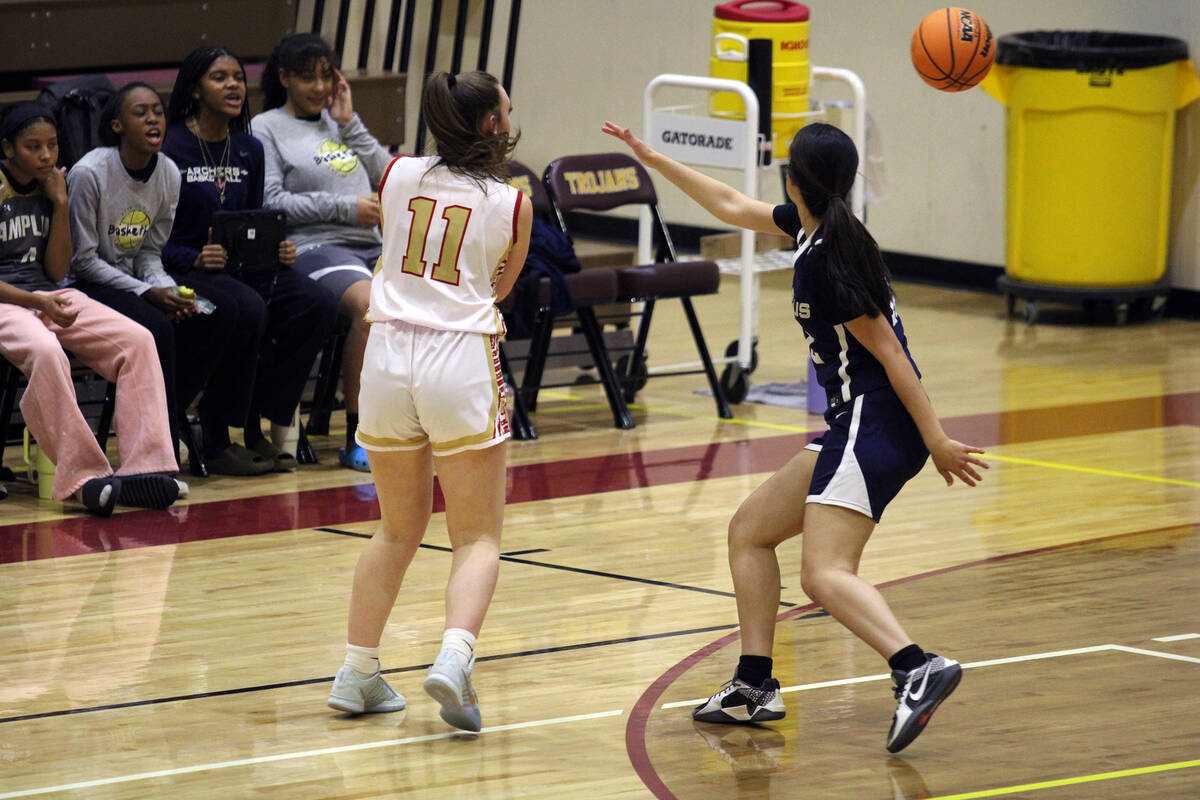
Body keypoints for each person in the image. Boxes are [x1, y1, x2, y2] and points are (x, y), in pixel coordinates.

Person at [602, 120, 988, 753]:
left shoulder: (827, 261)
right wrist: (654, 159)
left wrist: (937, 439)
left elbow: (892, 356)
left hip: (874, 420)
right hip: (858, 422)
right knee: (750, 531)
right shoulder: (819, 231)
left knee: (824, 573)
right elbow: (730, 204)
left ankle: (916, 667)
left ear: (792, 180)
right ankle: (754, 685)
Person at [326, 70, 531, 733]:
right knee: (476, 536)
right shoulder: (512, 202)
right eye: (507, 108)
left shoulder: (399, 174)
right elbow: (497, 289)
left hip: (387, 356)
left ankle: (357, 671)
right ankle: (454, 658)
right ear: (493, 125)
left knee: (395, 528)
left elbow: (397, 241)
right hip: (458, 359)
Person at [163, 46, 339, 473]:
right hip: (184, 267)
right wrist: (194, 257)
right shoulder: (172, 146)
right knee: (245, 307)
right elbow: (152, 238)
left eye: (238, 78)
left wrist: (276, 249)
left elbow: (254, 219)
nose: (233, 86)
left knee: (316, 302)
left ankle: (258, 417)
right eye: (219, 78)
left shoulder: (248, 148)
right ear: (195, 90)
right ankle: (215, 433)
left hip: (243, 268)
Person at [68, 81, 255, 480]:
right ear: (117, 125)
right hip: (88, 283)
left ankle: (170, 417)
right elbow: (82, 261)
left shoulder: (169, 172)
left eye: (157, 111)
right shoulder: (89, 174)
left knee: (215, 312)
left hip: (135, 279)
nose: (153, 119)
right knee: (157, 327)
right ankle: (159, 445)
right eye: (141, 113)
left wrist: (166, 288)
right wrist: (148, 291)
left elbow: (150, 252)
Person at [0, 102, 180, 514]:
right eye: (33, 147)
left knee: (137, 340)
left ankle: (144, 469)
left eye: (52, 145)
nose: (46, 156)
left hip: (48, 294)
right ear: (8, 148)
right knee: (46, 351)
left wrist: (61, 205)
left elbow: (57, 269)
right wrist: (37, 302)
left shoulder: (52, 186)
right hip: (8, 302)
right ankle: (83, 478)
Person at [252, 33, 393, 472]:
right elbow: (272, 202)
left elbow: (390, 175)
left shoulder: (340, 122)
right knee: (370, 307)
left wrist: (351, 124)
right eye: (306, 78)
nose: (319, 88)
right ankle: (359, 438)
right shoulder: (266, 127)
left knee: (429, 297)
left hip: (372, 245)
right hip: (315, 246)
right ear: (284, 78)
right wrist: (346, 208)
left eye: (325, 77)